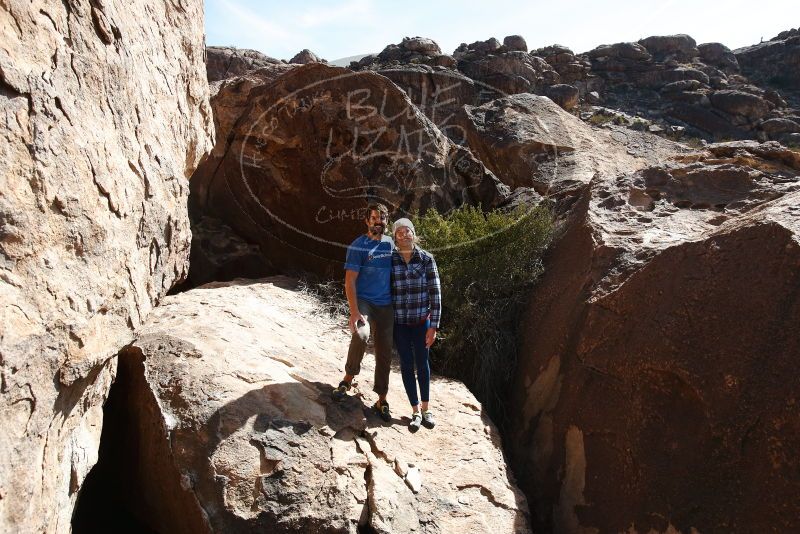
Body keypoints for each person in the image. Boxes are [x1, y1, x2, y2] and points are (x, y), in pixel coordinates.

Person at [331, 203, 394, 423]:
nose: (379, 221)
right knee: (361, 334)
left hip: (387, 305)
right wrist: (354, 311)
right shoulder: (359, 246)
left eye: (383, 217)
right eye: (375, 217)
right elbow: (349, 281)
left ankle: (381, 398)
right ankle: (348, 379)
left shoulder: (391, 245)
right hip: (364, 302)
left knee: (384, 350)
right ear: (367, 221)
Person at [390, 217, 442, 432]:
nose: (404, 235)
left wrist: (434, 326)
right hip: (400, 324)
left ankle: (426, 410)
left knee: (422, 364)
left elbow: (435, 293)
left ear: (413, 234)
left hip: (422, 322)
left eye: (407, 231)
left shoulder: (426, 259)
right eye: (399, 232)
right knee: (405, 365)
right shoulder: (390, 260)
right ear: (395, 237)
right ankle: (414, 411)